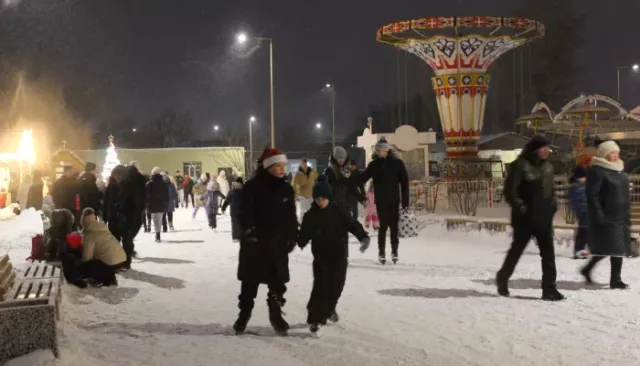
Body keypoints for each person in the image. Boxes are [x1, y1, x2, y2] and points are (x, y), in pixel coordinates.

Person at [234, 147, 298, 336]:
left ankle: (276, 315)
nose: (281, 169)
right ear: (268, 166)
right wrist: (248, 230)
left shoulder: (286, 187)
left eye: (283, 166)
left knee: (277, 283)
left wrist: (293, 235)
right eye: (277, 166)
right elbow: (244, 211)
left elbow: (291, 216)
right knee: (249, 283)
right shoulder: (253, 186)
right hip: (255, 244)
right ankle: (243, 316)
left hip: (277, 244)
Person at [297, 176, 370, 336]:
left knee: (337, 286)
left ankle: (329, 309)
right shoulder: (311, 216)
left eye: (323, 198)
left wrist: (363, 237)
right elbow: (302, 237)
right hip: (321, 258)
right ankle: (316, 319)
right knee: (320, 288)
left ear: (329, 197)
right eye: (317, 198)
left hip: (339, 256)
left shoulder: (340, 211)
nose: (320, 201)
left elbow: (353, 224)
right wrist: (296, 238)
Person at [496, 135, 563, 301]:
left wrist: (553, 204)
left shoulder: (548, 167)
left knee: (548, 254)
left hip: (544, 217)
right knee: (517, 250)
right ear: (535, 150)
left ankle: (549, 288)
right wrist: (521, 208)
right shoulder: (520, 165)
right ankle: (503, 277)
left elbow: (551, 189)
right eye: (544, 148)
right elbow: (510, 191)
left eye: (548, 148)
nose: (547, 151)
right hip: (524, 218)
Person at [580, 141, 630, 289]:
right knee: (614, 247)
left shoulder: (620, 170)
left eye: (616, 152)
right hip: (607, 215)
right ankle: (616, 279)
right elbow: (592, 195)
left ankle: (587, 269)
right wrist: (599, 215)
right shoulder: (597, 171)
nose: (615, 155)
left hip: (620, 215)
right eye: (612, 153)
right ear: (604, 154)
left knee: (614, 247)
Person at [360, 138, 409, 265]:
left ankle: (394, 251)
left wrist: (405, 201)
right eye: (377, 150)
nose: (379, 152)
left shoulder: (397, 164)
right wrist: (350, 175)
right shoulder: (374, 165)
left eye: (381, 150)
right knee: (382, 228)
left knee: (394, 228)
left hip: (393, 201)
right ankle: (381, 253)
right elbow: (362, 178)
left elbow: (404, 183)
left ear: (387, 150)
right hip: (381, 201)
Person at [71, 207, 127, 287]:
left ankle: (104, 279)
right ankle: (110, 276)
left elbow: (87, 257)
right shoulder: (101, 228)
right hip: (121, 259)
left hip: (110, 263)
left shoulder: (89, 234)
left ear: (83, 221)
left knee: (86, 266)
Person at [324, 147, 364, 212]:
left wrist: (361, 199)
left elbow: (351, 186)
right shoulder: (329, 172)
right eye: (340, 158)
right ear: (335, 158)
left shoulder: (346, 170)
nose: (342, 160)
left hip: (345, 205)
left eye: (343, 158)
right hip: (333, 207)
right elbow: (326, 189)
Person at [567, 165, 589, 259]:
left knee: (585, 231)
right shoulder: (576, 187)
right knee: (583, 231)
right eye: (583, 177)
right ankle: (579, 250)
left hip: (586, 211)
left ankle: (581, 250)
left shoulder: (582, 186)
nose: (585, 178)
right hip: (583, 211)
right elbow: (578, 200)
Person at [102, 165, 128, 241]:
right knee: (117, 239)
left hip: (120, 217)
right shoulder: (111, 186)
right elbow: (106, 202)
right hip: (115, 217)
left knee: (122, 239)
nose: (118, 177)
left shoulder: (126, 185)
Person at [146, 167, 169, 242]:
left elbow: (147, 195)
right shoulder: (163, 183)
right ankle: (158, 235)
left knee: (156, 221)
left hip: (152, 205)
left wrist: (147, 205)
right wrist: (166, 204)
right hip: (162, 205)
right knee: (159, 219)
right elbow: (166, 195)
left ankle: (157, 235)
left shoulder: (149, 183)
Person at [292, 158, 318, 222]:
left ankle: (311, 225)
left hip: (311, 195)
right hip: (302, 196)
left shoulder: (312, 172)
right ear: (301, 164)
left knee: (311, 211)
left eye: (305, 163)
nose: (305, 165)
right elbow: (294, 184)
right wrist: (295, 194)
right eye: (303, 163)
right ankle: (301, 225)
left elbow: (317, 178)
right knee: (302, 212)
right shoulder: (298, 174)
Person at [222, 177, 243, 241]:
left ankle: (235, 237)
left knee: (234, 224)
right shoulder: (244, 190)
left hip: (233, 211)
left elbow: (227, 201)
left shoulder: (231, 191)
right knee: (241, 223)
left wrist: (223, 208)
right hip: (242, 210)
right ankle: (241, 235)